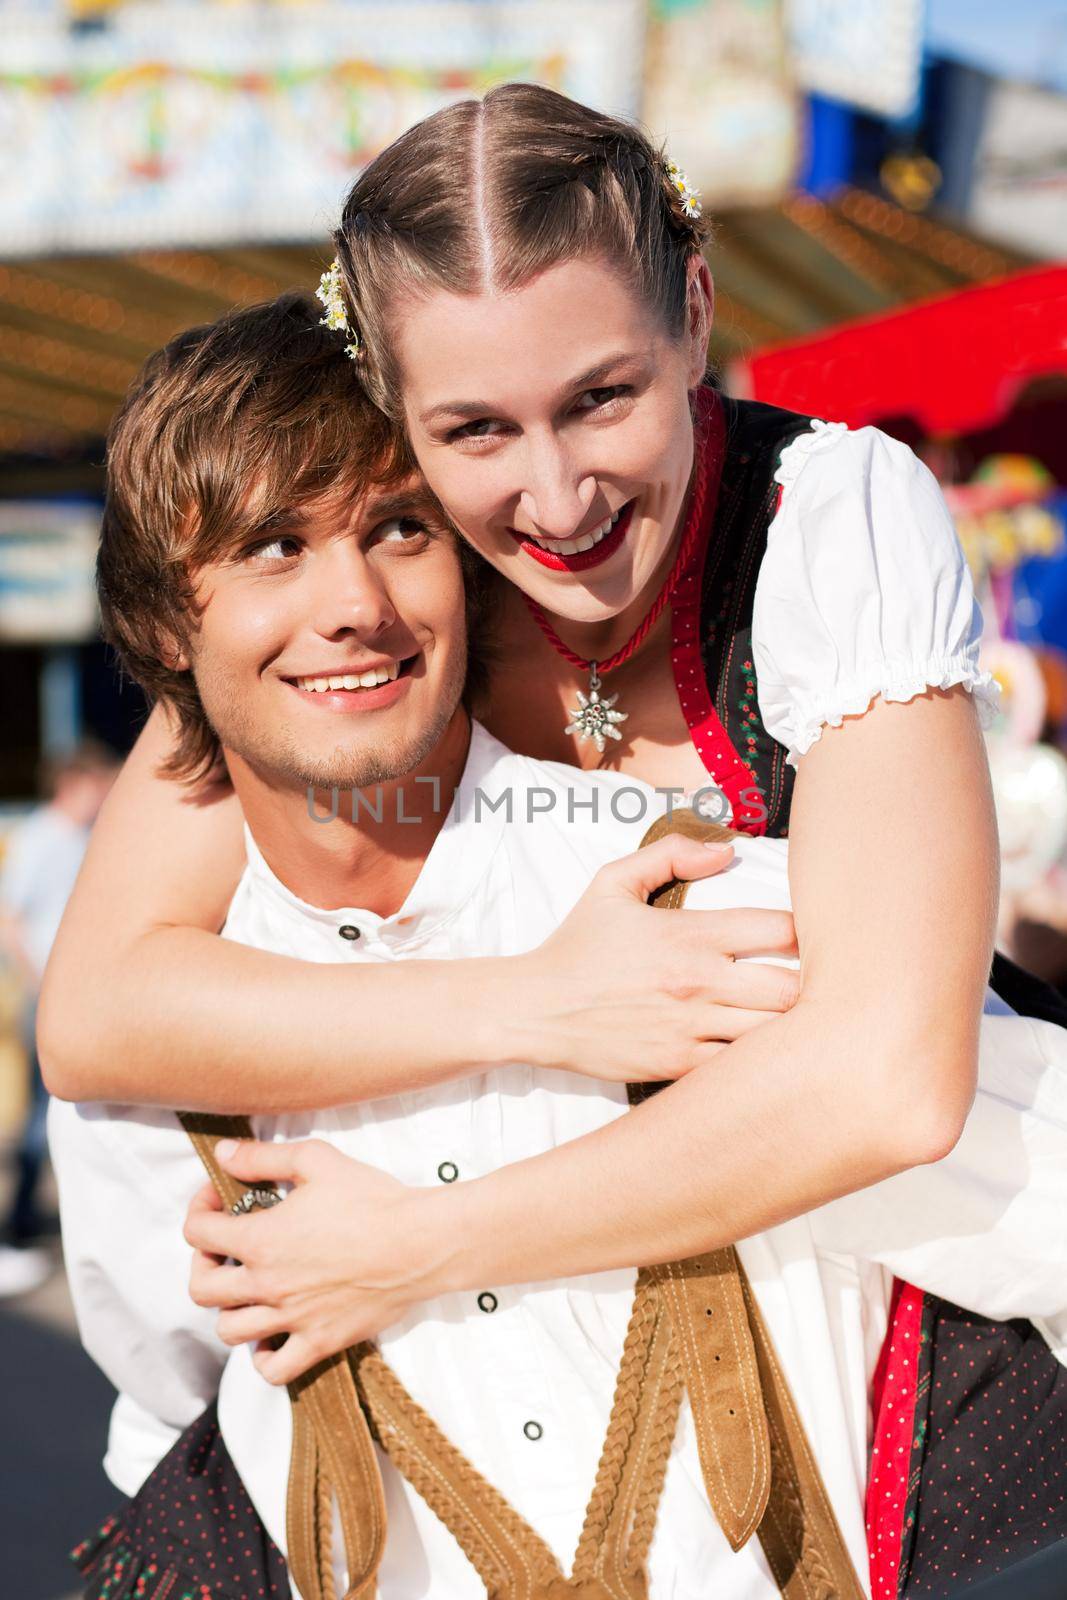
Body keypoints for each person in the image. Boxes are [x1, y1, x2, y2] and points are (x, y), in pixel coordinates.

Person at [39, 83, 1056, 1593]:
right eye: (471, 429)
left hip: (896, 1304)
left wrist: (423, 1245)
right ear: (393, 404)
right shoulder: (383, 582)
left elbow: (886, 1082)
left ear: (693, 314)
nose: (557, 496)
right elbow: (105, 1007)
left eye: (602, 397)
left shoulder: (819, 517)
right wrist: (544, 999)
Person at [0, 741, 115, 1297]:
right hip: (49, 993)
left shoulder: (84, 839)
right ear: (73, 786)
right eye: (95, 786)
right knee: (42, 1114)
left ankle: (73, 1224)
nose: (102, 797)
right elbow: (10, 916)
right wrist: (41, 980)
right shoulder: (41, 837)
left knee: (77, 1111)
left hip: (81, 992)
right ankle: (19, 1227)